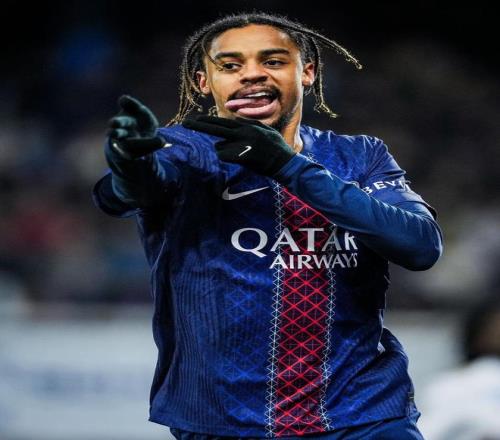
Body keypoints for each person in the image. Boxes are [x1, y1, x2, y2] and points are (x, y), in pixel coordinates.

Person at [92, 12, 443, 440]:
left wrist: (286, 166)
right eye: (230, 65)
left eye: (273, 61)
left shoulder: (360, 156)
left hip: (364, 417)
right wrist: (130, 165)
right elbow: (132, 190)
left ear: (307, 72)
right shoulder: (187, 151)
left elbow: (420, 246)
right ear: (204, 82)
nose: (252, 74)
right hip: (224, 422)